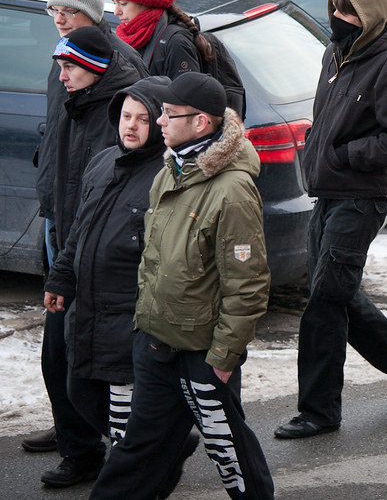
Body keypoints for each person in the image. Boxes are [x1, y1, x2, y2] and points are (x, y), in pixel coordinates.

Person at [90, 72, 274, 499]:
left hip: (202, 352)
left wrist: (224, 357)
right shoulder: (171, 169)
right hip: (156, 341)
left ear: (201, 124)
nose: (159, 123)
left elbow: (248, 285)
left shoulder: (233, 191)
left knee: (229, 450)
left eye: (170, 115)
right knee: (140, 445)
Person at [275, 0, 387, 440]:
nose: (338, 19)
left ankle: (319, 411)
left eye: (349, 12)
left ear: (370, 16)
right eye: (335, 9)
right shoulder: (335, 53)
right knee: (333, 289)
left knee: (323, 300)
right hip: (328, 190)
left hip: (361, 197)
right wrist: (315, 146)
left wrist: (346, 154)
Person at [43, 76, 201, 495]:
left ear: (162, 122)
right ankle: (166, 444)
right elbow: (79, 228)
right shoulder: (103, 161)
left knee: (123, 413)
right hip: (89, 306)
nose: (130, 127)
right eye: (125, 116)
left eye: (143, 119)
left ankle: (139, 476)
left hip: (130, 313)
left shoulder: (167, 175)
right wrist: (61, 276)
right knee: (80, 391)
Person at [23, 0, 147, 457]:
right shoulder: (65, 62)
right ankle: (73, 429)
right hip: (60, 214)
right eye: (53, 9)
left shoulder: (118, 70)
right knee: (62, 344)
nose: (58, 19)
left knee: (72, 345)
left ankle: (97, 445)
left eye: (68, 10)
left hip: (90, 228)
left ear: (93, 13)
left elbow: (118, 163)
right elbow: (57, 134)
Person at [38, 26, 142, 488]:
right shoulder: (76, 102)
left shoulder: (117, 111)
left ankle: (134, 447)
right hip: (72, 247)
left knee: (81, 366)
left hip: (102, 261)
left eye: (69, 67)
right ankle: (82, 449)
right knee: (60, 360)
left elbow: (104, 200)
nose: (60, 76)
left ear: (94, 69)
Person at [107, 0, 206, 78]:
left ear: (145, 1)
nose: (116, 12)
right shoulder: (122, 38)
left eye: (123, 3)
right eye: (114, 3)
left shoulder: (176, 43)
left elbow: (187, 94)